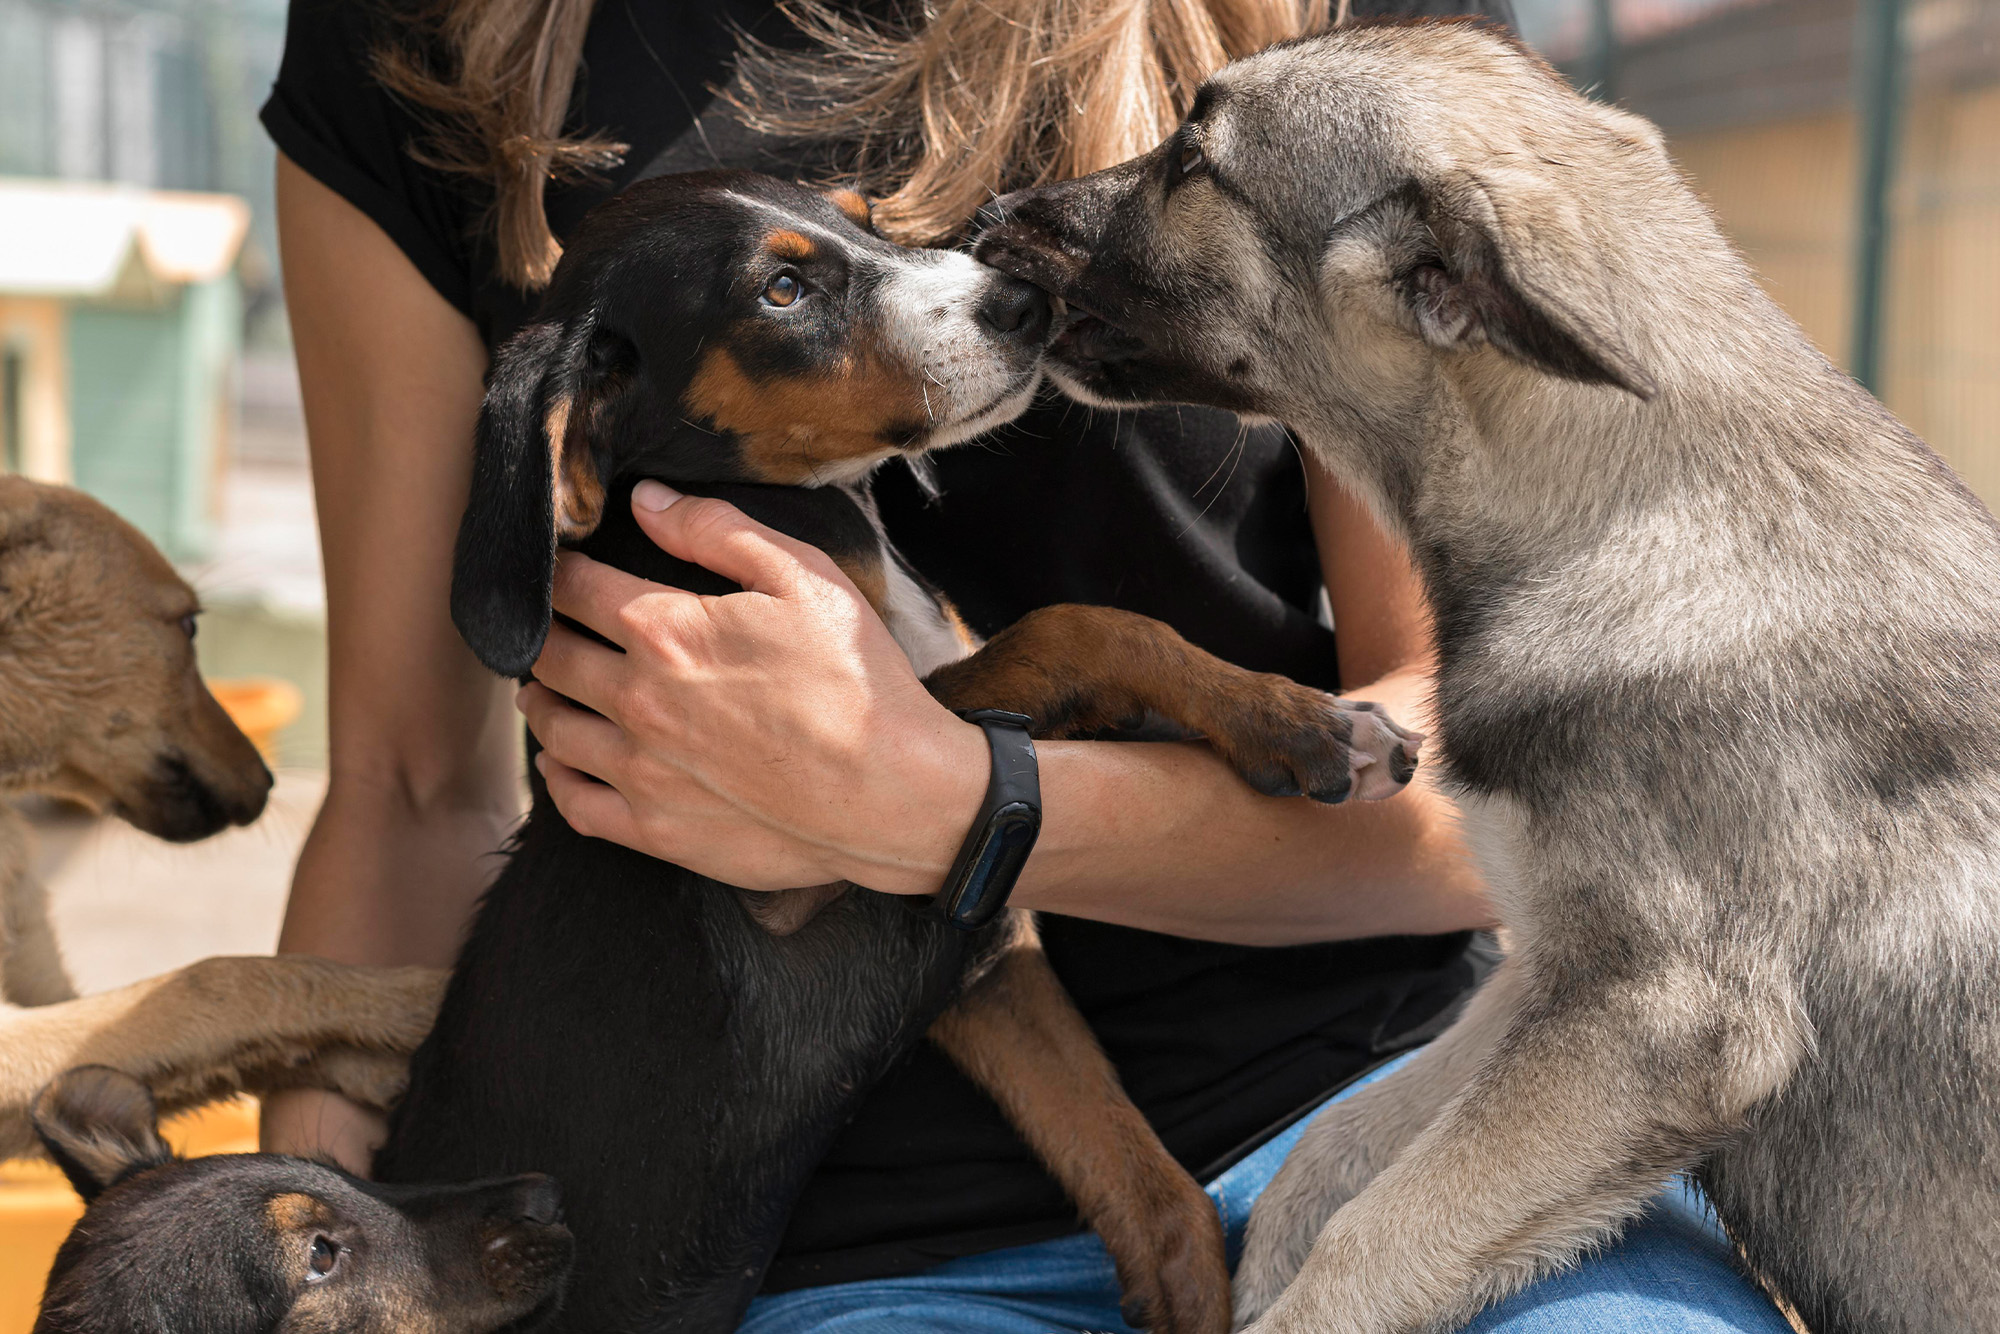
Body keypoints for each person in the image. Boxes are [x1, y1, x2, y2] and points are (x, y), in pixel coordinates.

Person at [257, 2, 1794, 1329]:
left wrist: (954, 805)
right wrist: (306, 1259)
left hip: (1382, 1127)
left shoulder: (1334, 38)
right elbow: (405, 789)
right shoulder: (432, 41)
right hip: (838, 1256)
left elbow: (1492, 770)